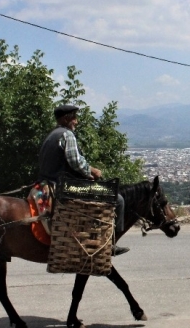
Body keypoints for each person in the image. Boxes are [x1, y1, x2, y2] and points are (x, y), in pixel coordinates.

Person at [38, 104, 129, 256]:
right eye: (74, 118)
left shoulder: (52, 134)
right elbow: (75, 161)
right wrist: (92, 171)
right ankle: (110, 244)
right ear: (66, 119)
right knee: (117, 199)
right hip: (64, 186)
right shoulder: (67, 135)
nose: (76, 121)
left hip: (46, 183)